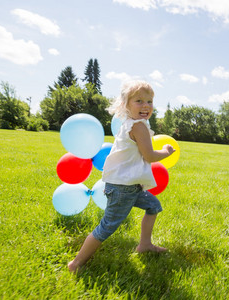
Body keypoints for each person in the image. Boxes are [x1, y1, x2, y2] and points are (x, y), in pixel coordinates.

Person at [68, 80, 175, 273]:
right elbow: (149, 156)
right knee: (107, 227)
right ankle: (75, 264)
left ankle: (144, 245)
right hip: (123, 188)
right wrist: (166, 152)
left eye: (149, 101)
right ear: (126, 104)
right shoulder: (138, 127)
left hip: (129, 185)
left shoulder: (130, 123)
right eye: (139, 101)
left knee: (153, 206)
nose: (145, 106)